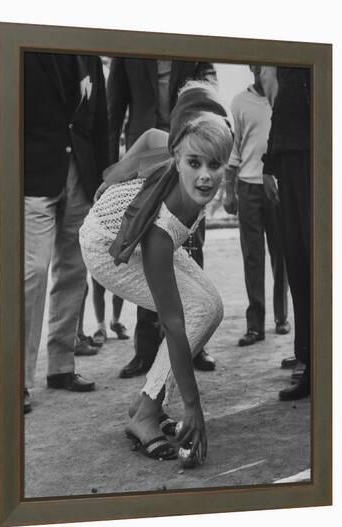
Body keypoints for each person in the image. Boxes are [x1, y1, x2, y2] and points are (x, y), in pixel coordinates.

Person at [79, 81, 233, 461]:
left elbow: (148, 136)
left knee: (211, 307)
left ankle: (145, 402)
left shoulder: (187, 142)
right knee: (194, 312)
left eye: (215, 165)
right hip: (106, 246)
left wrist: (115, 174)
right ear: (178, 155)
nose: (204, 176)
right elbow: (173, 323)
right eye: (194, 163)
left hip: (140, 232)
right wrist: (193, 406)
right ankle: (145, 414)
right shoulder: (162, 226)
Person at [107, 57, 219, 378]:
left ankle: (194, 344)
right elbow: (115, 108)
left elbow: (209, 93)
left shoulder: (195, 45)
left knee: (191, 245)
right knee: (146, 242)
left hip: (188, 148)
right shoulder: (129, 49)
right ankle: (145, 349)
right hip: (146, 151)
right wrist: (113, 166)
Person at [23, 52, 109, 413]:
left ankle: (61, 366)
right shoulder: (24, 48)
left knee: (74, 270)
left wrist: (104, 181)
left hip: (81, 176)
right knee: (34, 271)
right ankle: (17, 380)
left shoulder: (89, 54)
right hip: (33, 176)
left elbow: (100, 120)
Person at [224, 65, 290, 347]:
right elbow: (235, 147)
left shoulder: (284, 97)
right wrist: (229, 191)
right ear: (251, 67)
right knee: (253, 256)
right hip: (248, 186)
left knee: (281, 255)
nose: (263, 68)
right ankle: (255, 326)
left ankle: (281, 317)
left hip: (276, 185)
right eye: (258, 63)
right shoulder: (239, 102)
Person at [260, 66, 311, 400]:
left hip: (320, 155)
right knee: (297, 262)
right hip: (289, 159)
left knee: (321, 264)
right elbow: (282, 104)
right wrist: (268, 165)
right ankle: (310, 362)